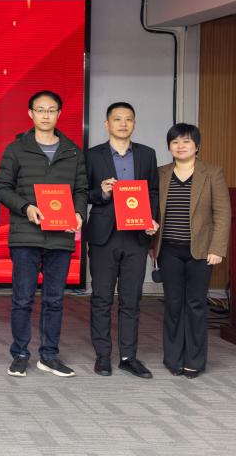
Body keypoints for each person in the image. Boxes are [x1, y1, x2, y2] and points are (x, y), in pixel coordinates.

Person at [0, 90, 87, 378]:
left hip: (60, 236)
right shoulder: (16, 149)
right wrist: (26, 208)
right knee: (22, 298)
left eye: (51, 110)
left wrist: (79, 213)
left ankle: (49, 355)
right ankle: (20, 354)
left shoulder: (72, 151)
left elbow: (81, 190)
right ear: (31, 114)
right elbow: (2, 187)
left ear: (59, 114)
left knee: (54, 300)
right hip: (26, 235)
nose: (46, 115)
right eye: (40, 110)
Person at [85, 102, 160, 379]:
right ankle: (103, 356)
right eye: (117, 119)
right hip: (104, 236)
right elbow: (82, 193)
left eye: (128, 119)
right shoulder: (93, 155)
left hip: (136, 236)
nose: (123, 123)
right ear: (107, 124)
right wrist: (101, 192)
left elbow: (153, 191)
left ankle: (128, 357)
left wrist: (151, 219)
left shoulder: (146, 154)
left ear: (134, 123)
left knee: (132, 299)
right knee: (102, 298)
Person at [152, 123, 231, 379]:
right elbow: (151, 209)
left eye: (186, 141)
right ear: (169, 146)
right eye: (175, 142)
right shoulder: (161, 173)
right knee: (173, 304)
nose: (181, 146)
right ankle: (173, 358)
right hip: (169, 251)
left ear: (197, 146)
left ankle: (194, 361)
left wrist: (217, 248)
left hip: (201, 251)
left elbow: (223, 213)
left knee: (196, 305)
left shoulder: (212, 173)